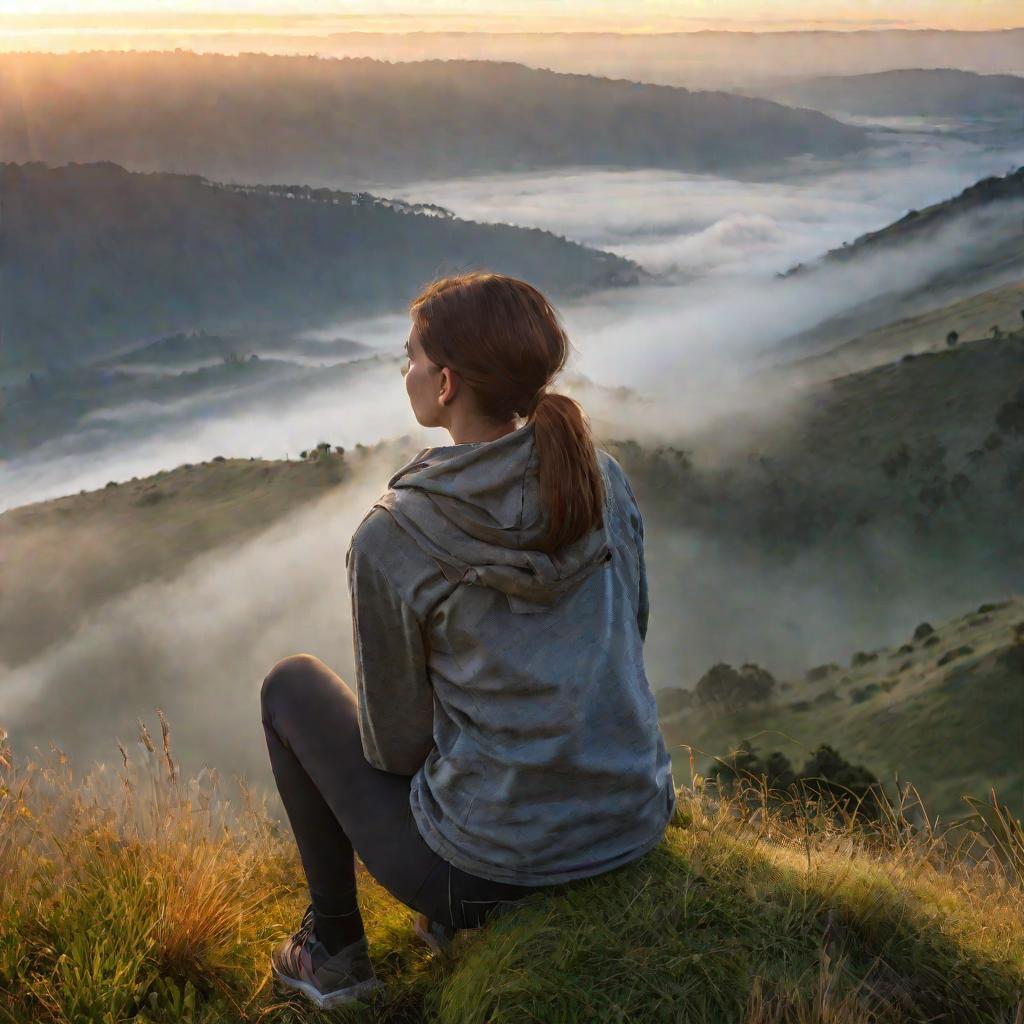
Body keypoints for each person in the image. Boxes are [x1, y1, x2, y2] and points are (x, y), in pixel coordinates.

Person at [260, 271, 677, 1009]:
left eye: (413, 356)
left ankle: (335, 957)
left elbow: (394, 747)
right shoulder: (599, 478)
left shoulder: (392, 536)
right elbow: (630, 632)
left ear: (446, 382)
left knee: (289, 687)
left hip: (487, 871)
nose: (405, 370)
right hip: (632, 823)